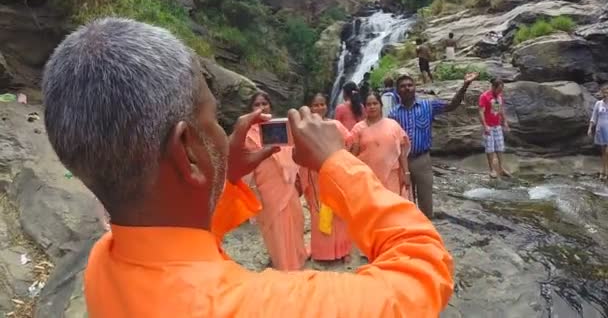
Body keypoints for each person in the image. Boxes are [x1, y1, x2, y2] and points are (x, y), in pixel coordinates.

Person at [43, 17, 453, 317]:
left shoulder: (105, 263)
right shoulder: (272, 306)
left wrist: (224, 174)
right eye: (214, 120)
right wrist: (336, 161)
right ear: (188, 151)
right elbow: (424, 266)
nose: (225, 134)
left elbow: (175, 234)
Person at [389, 73, 478, 219]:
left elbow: (451, 105)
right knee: (406, 200)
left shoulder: (427, 106)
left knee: (426, 199)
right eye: (403, 86)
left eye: (410, 85)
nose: (407, 88)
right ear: (397, 91)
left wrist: (465, 85)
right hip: (402, 162)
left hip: (422, 160)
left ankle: (427, 231)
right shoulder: (393, 114)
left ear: (415, 88)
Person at [244, 91, 308, 270]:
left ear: (270, 105)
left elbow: (291, 152)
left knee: (295, 219)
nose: (261, 108)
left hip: (287, 182)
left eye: (264, 103)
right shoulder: (247, 133)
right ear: (251, 109)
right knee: (274, 224)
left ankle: (296, 256)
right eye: (256, 105)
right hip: (265, 184)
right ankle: (282, 261)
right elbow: (247, 162)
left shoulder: (281, 127)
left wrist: (296, 178)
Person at [300, 93, 353, 262]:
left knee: (339, 212)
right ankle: (323, 252)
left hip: (335, 173)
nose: (320, 108)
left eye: (322, 104)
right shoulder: (304, 128)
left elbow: (350, 141)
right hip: (315, 175)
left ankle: (344, 251)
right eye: (316, 105)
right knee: (318, 212)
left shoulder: (335, 125)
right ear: (309, 107)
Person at [352, 93, 412, 200]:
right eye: (369, 104)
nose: (372, 107)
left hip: (391, 176)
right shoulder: (358, 128)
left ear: (381, 105)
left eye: (375, 103)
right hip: (368, 178)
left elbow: (401, 152)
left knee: (391, 207)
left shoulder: (393, 125)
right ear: (365, 107)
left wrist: (406, 172)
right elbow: (352, 157)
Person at [478, 78, 511, 179]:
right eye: (499, 89)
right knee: (490, 148)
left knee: (500, 147)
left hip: (497, 125)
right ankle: (492, 169)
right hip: (488, 126)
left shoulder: (499, 96)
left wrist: (505, 121)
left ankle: (501, 168)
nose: (500, 91)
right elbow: (481, 112)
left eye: (502, 89)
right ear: (493, 87)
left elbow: (500, 109)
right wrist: (485, 126)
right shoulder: (484, 96)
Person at [588, 86, 608, 180]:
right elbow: (594, 117)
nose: (606, 94)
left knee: (607, 152)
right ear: (602, 93)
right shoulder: (598, 103)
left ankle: (606, 170)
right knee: (603, 152)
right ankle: (603, 170)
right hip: (601, 130)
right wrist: (590, 128)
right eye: (605, 92)